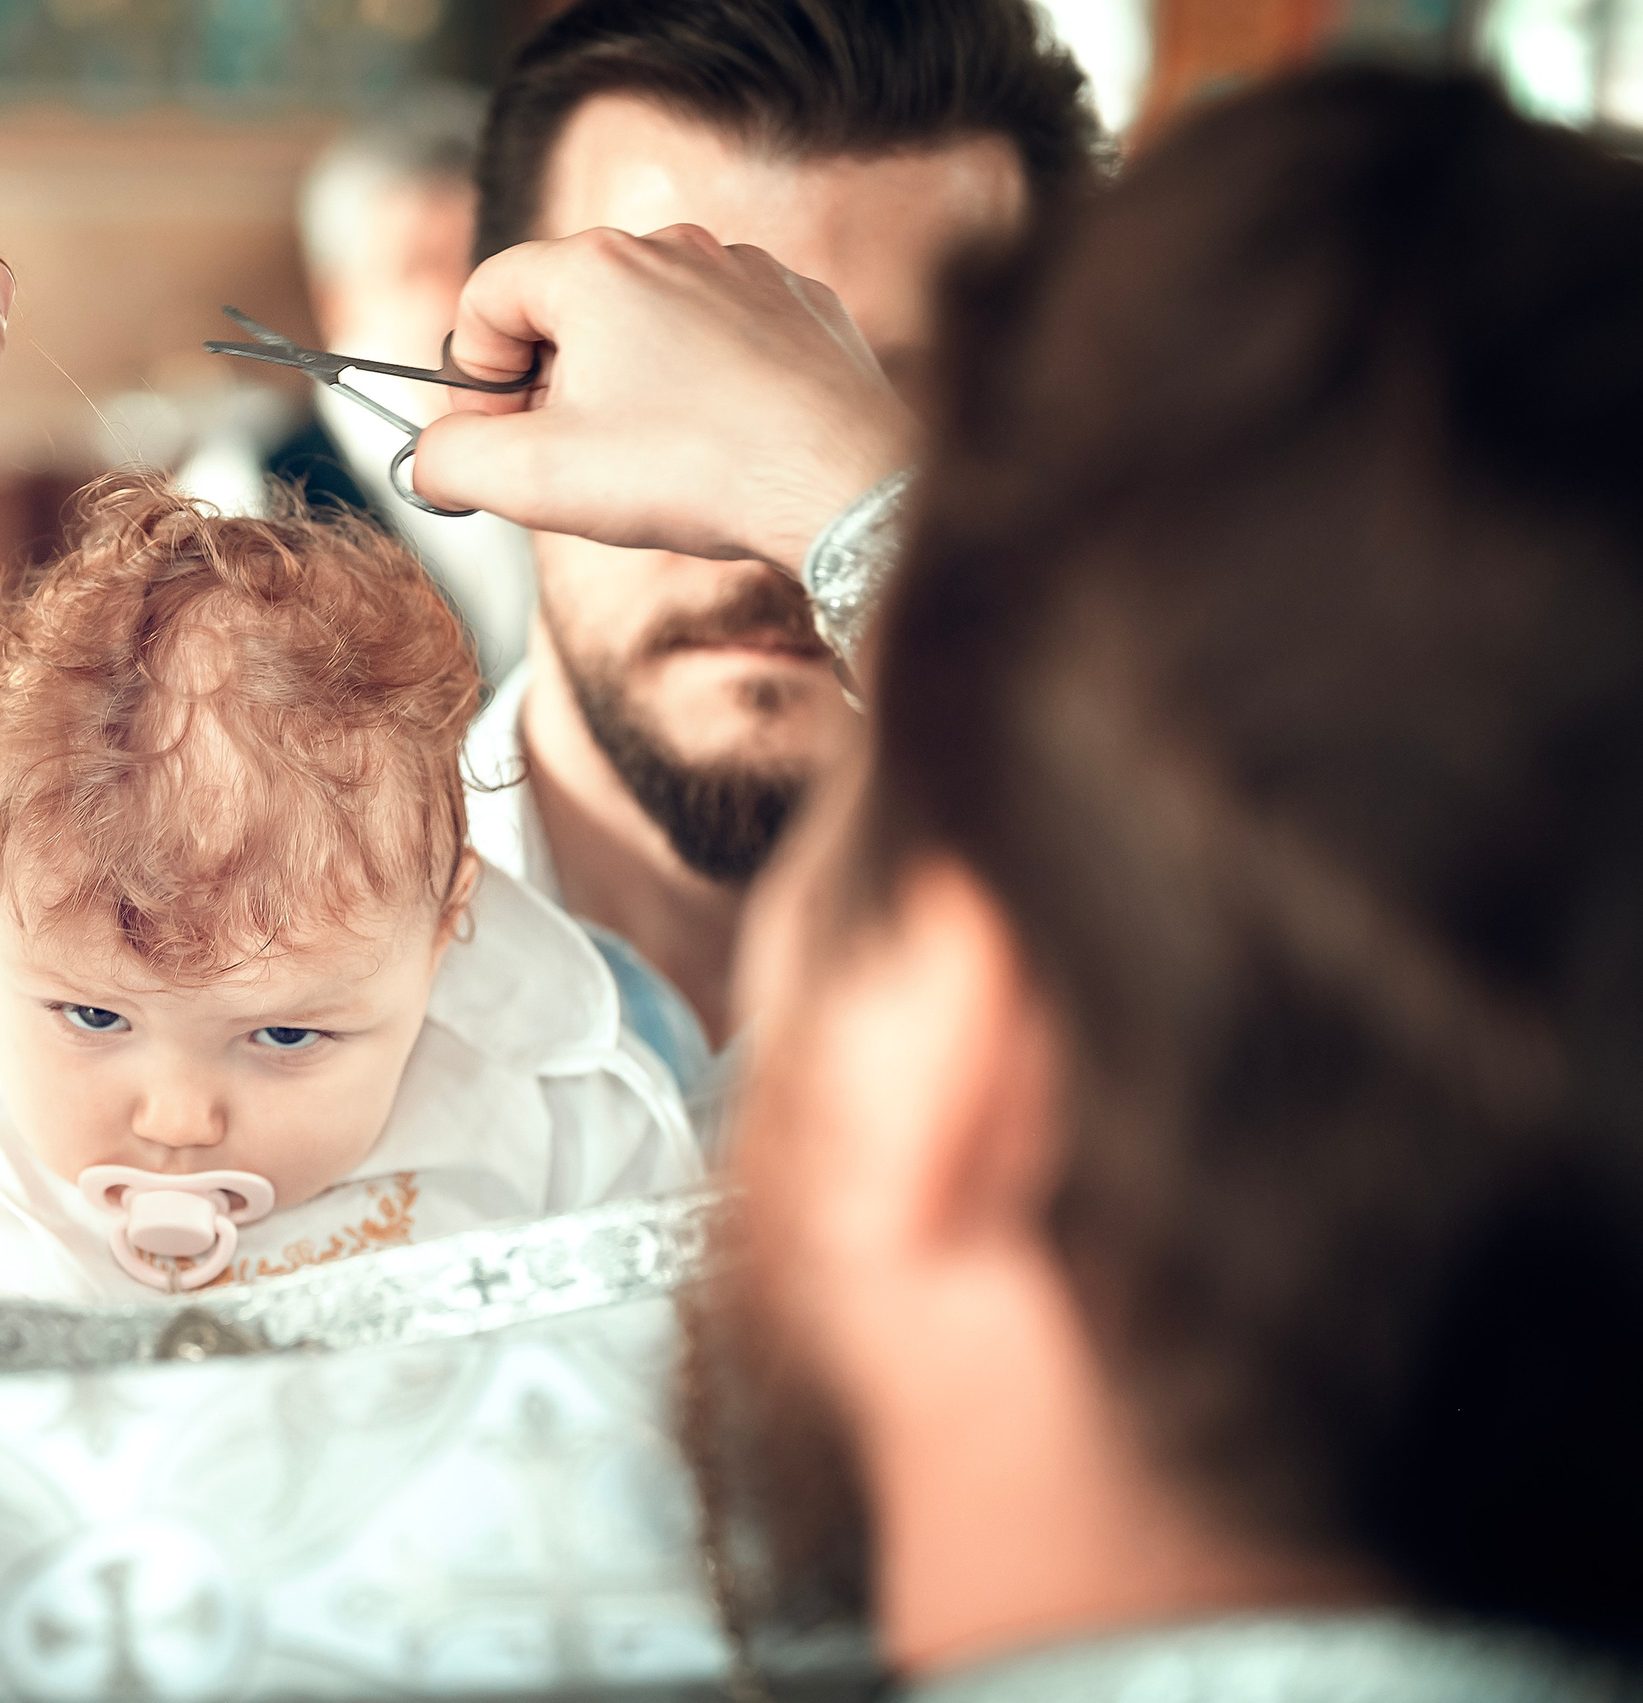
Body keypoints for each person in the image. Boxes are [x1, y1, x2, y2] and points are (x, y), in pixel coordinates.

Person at [425, 66, 1643, 1695]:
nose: (731, 537)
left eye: (868, 412)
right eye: (657, 399)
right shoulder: (157, 982)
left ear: (972, 1065)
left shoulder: (1201, 942)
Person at [456, 0, 1105, 1124]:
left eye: (897, 404)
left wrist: (861, 510)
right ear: (492, 386)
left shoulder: (1141, 984)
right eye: (677, 387)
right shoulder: (199, 961)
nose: (753, 528)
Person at [0, 478, 696, 1300]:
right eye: (95, 1017)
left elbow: (658, 1373)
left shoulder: (559, 1129)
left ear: (445, 928)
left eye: (285, 1033)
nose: (178, 1119)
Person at [176, 89, 538, 683]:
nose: (464, 294)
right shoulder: (237, 495)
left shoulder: (563, 457)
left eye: (484, 254)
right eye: (420, 266)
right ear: (336, 299)